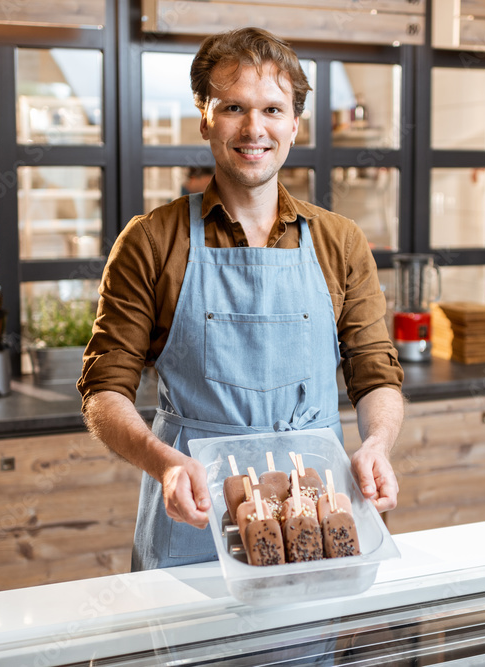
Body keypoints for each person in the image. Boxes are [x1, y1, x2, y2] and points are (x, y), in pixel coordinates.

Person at [79, 27, 404, 571]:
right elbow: (103, 388)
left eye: (273, 110)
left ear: (294, 125)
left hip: (317, 510)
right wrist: (164, 464)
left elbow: (375, 373)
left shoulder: (340, 241)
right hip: (195, 514)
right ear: (205, 116)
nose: (255, 128)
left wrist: (377, 445)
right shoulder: (153, 241)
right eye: (234, 107)